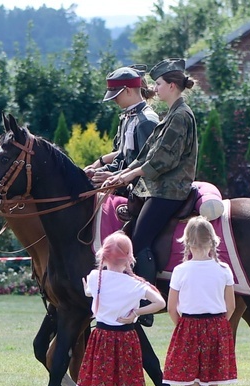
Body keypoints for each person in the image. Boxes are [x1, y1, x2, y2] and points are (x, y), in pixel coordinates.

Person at [103, 58, 198, 328]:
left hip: (170, 190)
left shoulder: (181, 115)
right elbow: (147, 154)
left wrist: (132, 174)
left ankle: (145, 302)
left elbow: (164, 159)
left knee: (140, 239)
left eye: (157, 84)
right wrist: (121, 173)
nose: (153, 89)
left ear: (171, 85)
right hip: (158, 188)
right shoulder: (173, 113)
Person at [76, 231, 166, 386]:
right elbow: (160, 302)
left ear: (103, 256)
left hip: (102, 338)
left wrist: (89, 290)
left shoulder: (96, 277)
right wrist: (137, 311)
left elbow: (92, 294)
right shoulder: (135, 284)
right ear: (129, 259)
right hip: (126, 339)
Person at [162, 216, 236, 386]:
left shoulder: (181, 270)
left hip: (189, 326)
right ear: (212, 242)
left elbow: (172, 307)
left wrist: (184, 328)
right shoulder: (223, 269)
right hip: (215, 326)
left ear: (188, 244)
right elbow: (231, 306)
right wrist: (217, 328)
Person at [84, 65, 159, 189]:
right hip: (123, 181)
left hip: (140, 190)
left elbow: (147, 165)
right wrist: (98, 172)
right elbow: (121, 158)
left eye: (116, 94)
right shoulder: (128, 117)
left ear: (128, 90)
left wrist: (114, 176)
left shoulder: (146, 121)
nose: (113, 99)